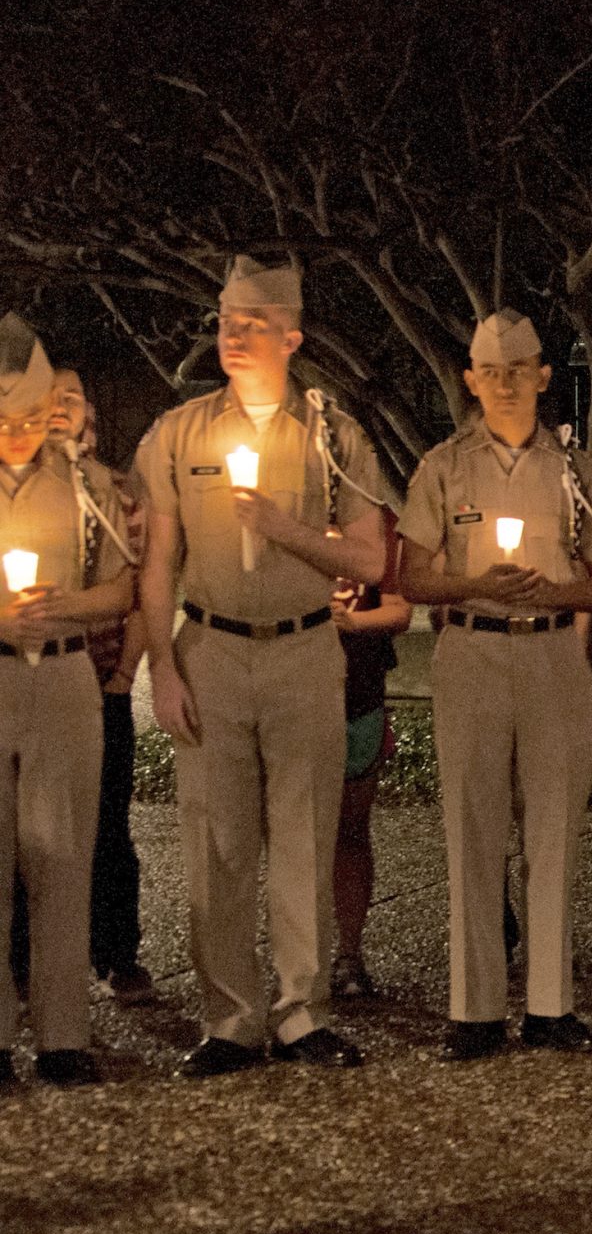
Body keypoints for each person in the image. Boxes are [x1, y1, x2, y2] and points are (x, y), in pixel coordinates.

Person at [134, 256, 395, 1077]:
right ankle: (230, 1019)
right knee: (217, 841)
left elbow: (372, 557)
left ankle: (301, 1012)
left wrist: (284, 529)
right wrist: (164, 672)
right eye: (224, 323)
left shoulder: (333, 434)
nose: (233, 338)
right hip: (210, 649)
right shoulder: (179, 432)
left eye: (252, 325)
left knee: (305, 835)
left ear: (292, 336)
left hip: (307, 650)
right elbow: (155, 563)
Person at [396, 309, 592, 1060]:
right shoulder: (442, 466)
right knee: (472, 828)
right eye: (489, 371)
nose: (503, 384)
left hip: (555, 657)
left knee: (555, 830)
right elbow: (414, 576)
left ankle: (552, 1006)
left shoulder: (573, 469)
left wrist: (552, 595)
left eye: (517, 369)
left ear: (542, 377)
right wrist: (477, 583)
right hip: (472, 654)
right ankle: (475, 1010)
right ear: (470, 379)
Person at [0, 325, 134, 1086]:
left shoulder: (88, 488)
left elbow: (121, 587)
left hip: (64, 678)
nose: (17, 434)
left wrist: (69, 608)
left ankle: (61, 1036)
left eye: (28, 416)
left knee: (61, 858)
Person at [47, 361, 154, 1006]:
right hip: (23, 673)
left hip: (97, 681)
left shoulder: (117, 492)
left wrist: (121, 678)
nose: (62, 407)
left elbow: (141, 592)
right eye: (49, 397)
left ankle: (116, 950)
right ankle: (26, 962)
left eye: (74, 397)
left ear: (91, 413)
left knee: (107, 822)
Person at [327, 561, 411, 1000]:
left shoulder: (376, 527)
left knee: (352, 828)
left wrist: (349, 620)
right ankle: (299, 957)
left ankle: (349, 954)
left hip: (360, 690)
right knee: (291, 833)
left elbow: (400, 610)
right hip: (298, 692)